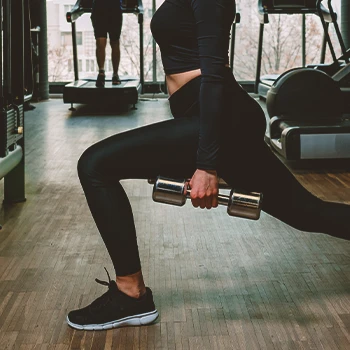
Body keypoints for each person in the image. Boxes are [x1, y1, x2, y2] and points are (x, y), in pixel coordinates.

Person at [66, 0, 349, 331]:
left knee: (95, 165)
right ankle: (132, 297)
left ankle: (131, 296)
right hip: (209, 118)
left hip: (222, 118)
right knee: (306, 212)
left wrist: (206, 165)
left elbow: (213, 75)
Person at [91, 0, 123, 87]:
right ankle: (115, 75)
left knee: (101, 42)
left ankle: (101, 74)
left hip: (99, 8)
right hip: (114, 8)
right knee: (114, 42)